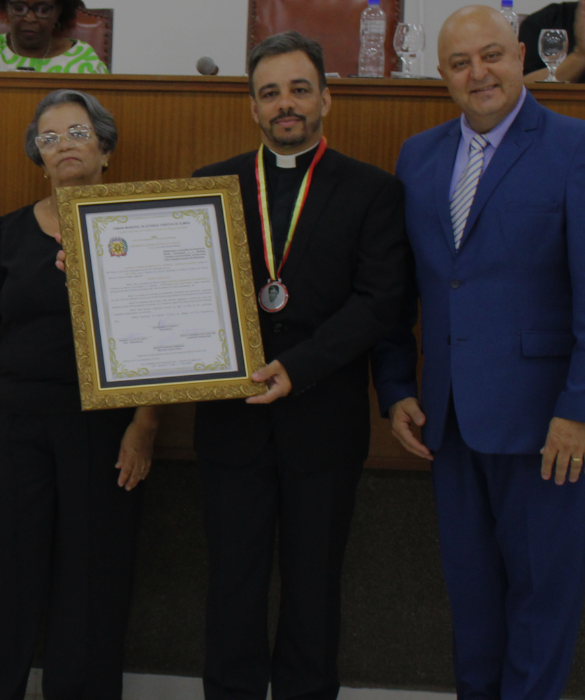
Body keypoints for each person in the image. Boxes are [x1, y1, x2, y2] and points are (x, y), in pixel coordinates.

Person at [378, 7, 585, 700]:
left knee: (539, 602)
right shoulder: (420, 155)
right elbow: (406, 286)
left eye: (491, 55)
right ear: (443, 76)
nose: (479, 73)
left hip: (548, 426)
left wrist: (584, 410)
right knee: (471, 598)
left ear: (520, 55)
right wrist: (398, 385)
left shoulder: (584, 147)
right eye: (461, 63)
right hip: (451, 420)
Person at [191, 32, 412, 700]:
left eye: (298, 90)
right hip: (231, 422)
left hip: (323, 418)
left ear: (326, 99)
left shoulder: (374, 192)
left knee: (314, 588)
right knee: (232, 583)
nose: (285, 105)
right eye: (269, 93)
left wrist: (299, 364)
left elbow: (381, 302)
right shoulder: (210, 186)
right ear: (252, 107)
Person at [0, 89, 155, 700]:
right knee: (6, 578)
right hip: (15, 425)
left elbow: (161, 337)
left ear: (106, 148)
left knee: (93, 581)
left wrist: (145, 426)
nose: (64, 144)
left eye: (77, 132)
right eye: (50, 137)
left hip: (105, 428)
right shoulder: (6, 234)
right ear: (37, 158)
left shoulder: (138, 230)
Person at [0, 0, 108, 74]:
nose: (30, 18)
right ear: (6, 8)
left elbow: (99, 121)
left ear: (58, 11)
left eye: (42, 9)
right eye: (19, 8)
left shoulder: (83, 59)